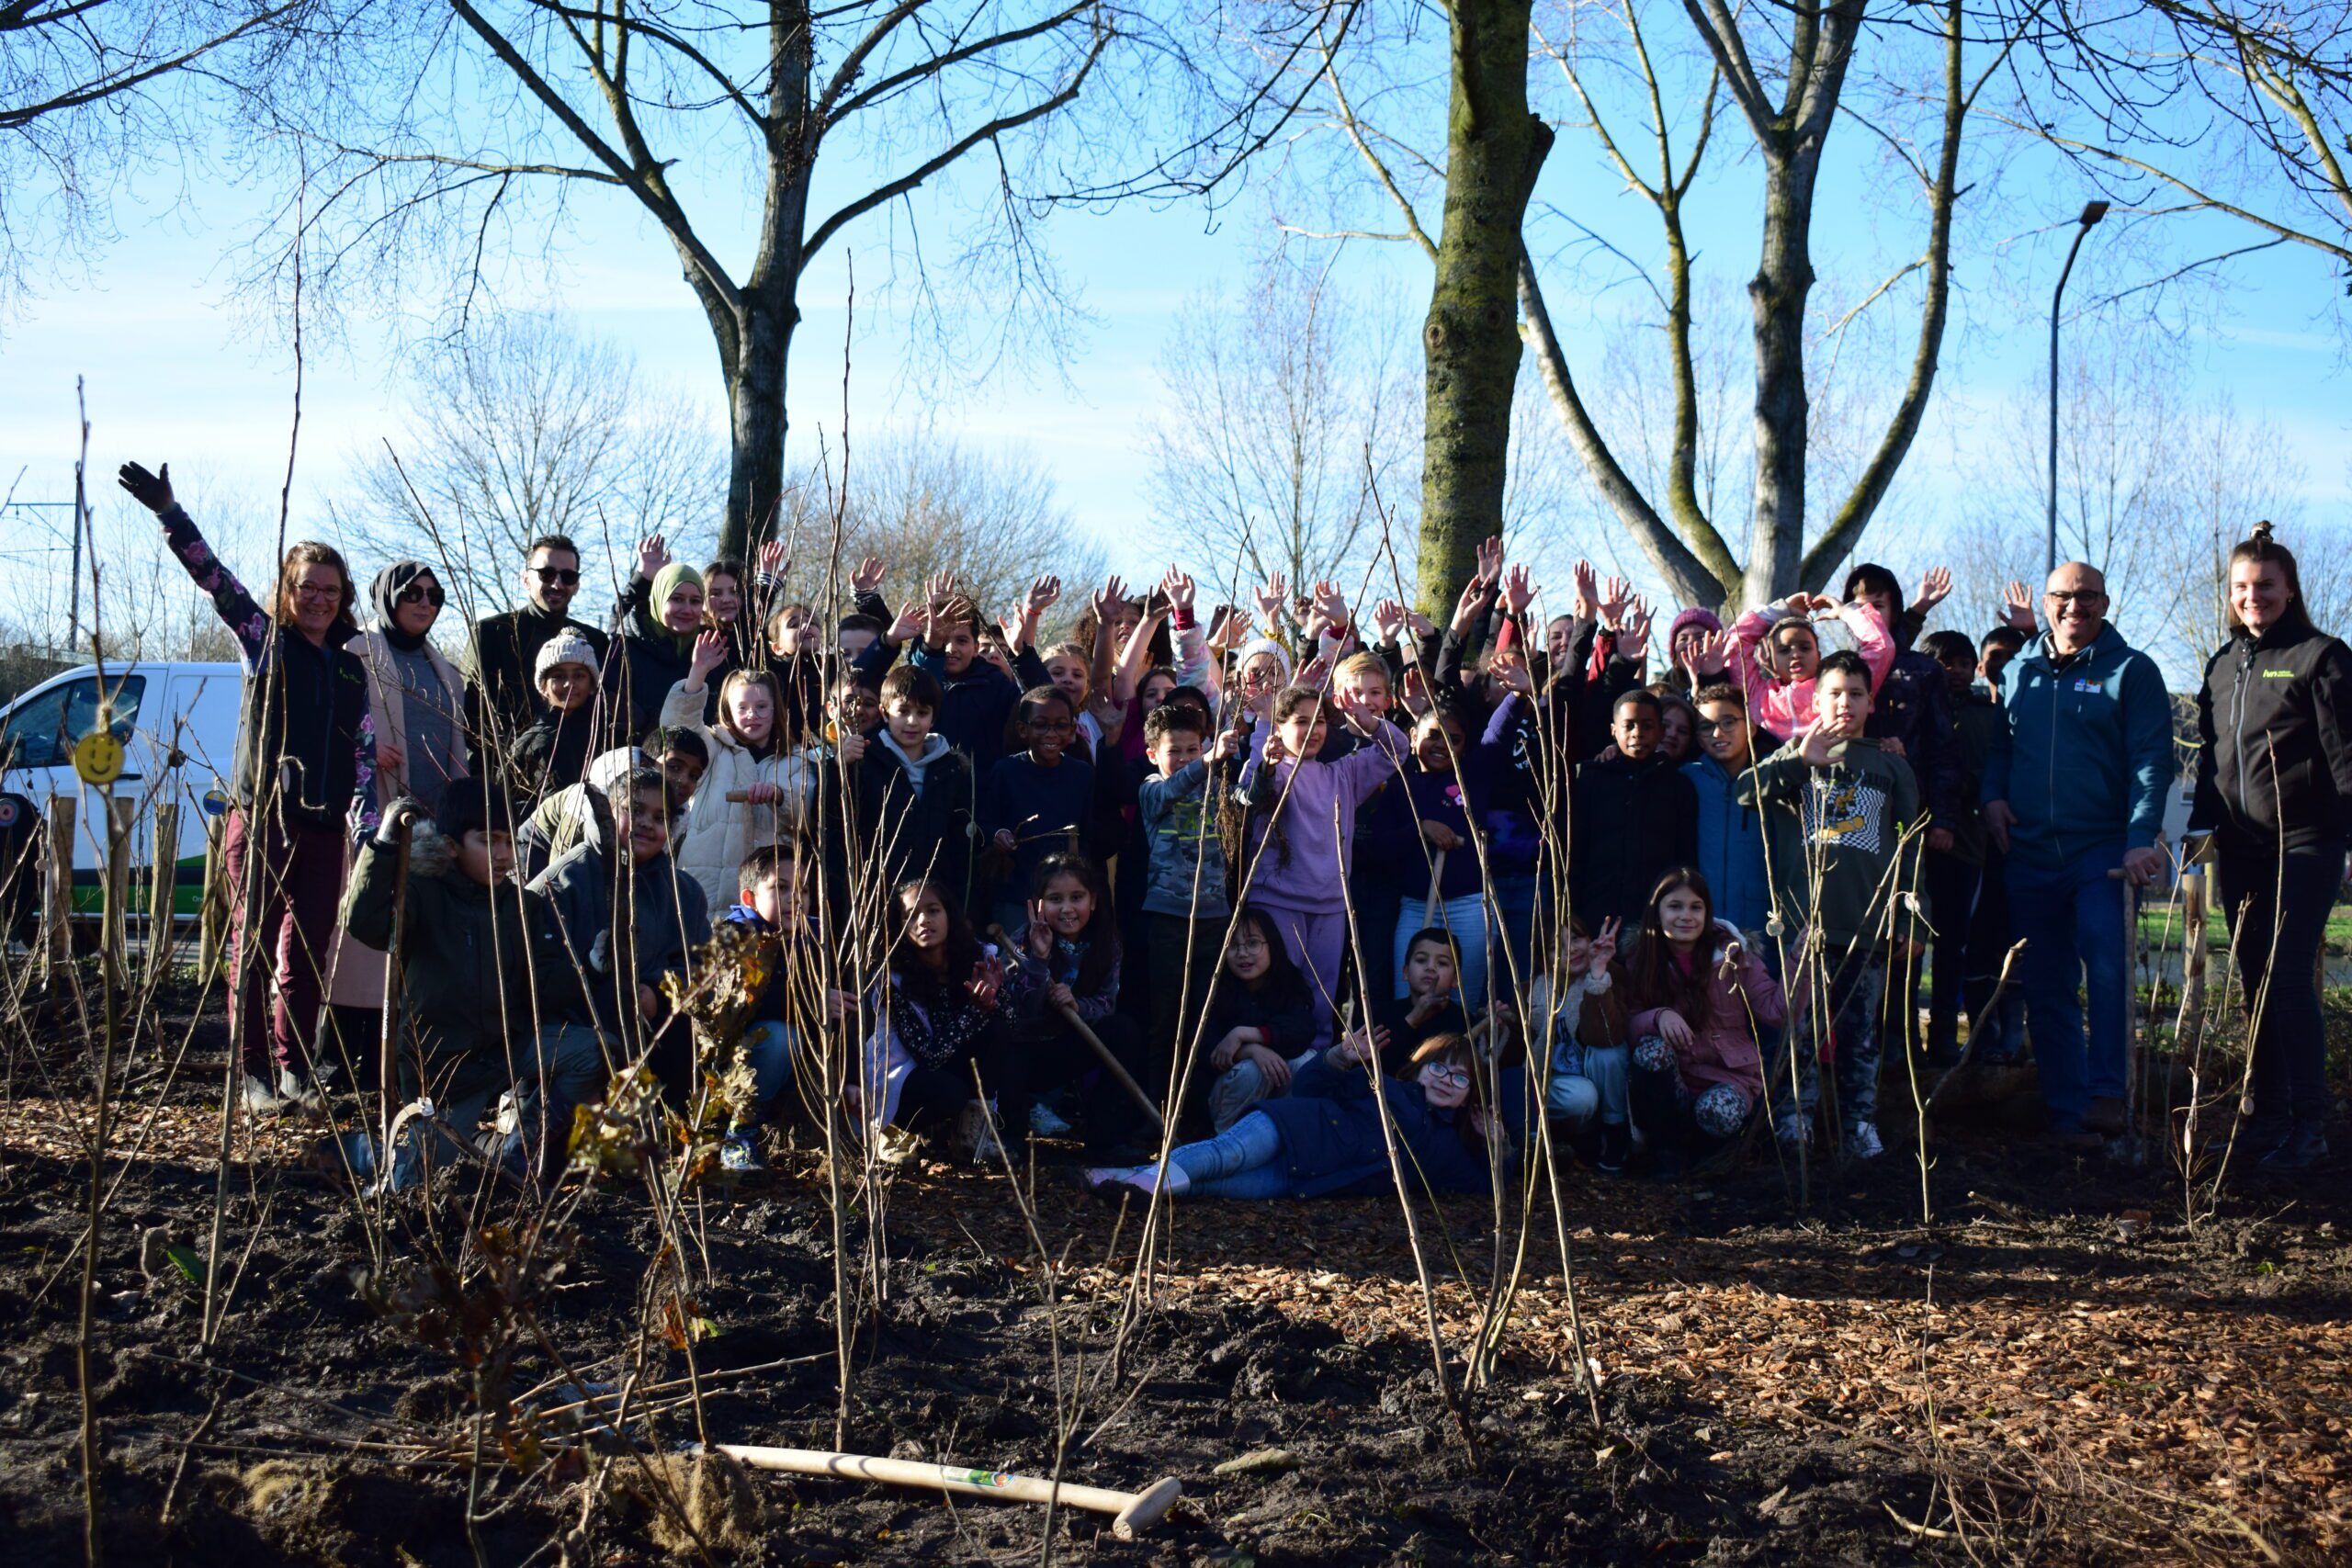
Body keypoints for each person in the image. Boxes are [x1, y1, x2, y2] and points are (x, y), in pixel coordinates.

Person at [119, 459, 375, 1113]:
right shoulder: (264, 641)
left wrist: (365, 822)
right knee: (253, 948)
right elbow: (215, 581)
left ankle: (296, 1071)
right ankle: (254, 1076)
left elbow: (365, 750)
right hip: (263, 815)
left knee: (309, 956)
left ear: (344, 597)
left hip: (322, 831)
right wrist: (171, 515)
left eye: (330, 589)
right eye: (306, 587)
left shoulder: (351, 670)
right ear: (286, 592)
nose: (319, 599)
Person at [1983, 562, 2174, 1148]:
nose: (2075, 606)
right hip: (2030, 853)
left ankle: (2108, 1094)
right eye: (2063, 596)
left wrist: (2141, 835)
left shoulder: (2132, 671)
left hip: (2103, 851)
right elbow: (1998, 747)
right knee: (2046, 982)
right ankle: (2068, 1115)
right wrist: (1992, 796)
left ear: (2106, 603)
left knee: (2107, 966)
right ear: (2045, 603)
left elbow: (2150, 761)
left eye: (2087, 597)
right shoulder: (2018, 671)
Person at [2188, 525, 2352, 1170]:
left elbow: (2346, 759)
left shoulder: (2320, 657)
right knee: (2256, 978)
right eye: (2241, 588)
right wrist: (2201, 827)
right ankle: (2267, 1115)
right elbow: (2212, 762)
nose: (2252, 597)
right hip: (2242, 846)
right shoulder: (2223, 664)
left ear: (2288, 589)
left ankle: (2310, 1125)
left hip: (2307, 840)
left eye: (2264, 586)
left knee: (2288, 976)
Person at [341, 778, 594, 1184]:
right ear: (451, 845)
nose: (503, 855)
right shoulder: (422, 894)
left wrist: (592, 965)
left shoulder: (522, 906)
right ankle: (362, 1151)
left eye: (510, 842)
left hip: (506, 1051)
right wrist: (384, 844)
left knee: (593, 1053)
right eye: (488, 840)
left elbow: (545, 982)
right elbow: (365, 924)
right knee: (414, 1181)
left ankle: (520, 1152)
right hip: (443, 1072)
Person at [1753, 651, 1923, 1160]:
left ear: (1871, 702)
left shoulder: (1891, 765)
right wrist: (1795, 760)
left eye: (1855, 693)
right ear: (1816, 699)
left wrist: (1913, 915)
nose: (1844, 703)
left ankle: (1859, 1126)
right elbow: (1745, 792)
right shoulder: (1795, 757)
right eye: (1834, 693)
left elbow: (1908, 841)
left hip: (1867, 929)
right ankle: (1795, 1120)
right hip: (1804, 930)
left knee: (1860, 1036)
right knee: (1798, 1031)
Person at [321, 560, 472, 1079]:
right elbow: (326, 724)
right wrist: (364, 747)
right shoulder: (353, 655)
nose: (425, 602)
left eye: (434, 595)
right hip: (372, 813)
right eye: (413, 593)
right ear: (388, 596)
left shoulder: (445, 670)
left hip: (432, 822)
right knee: (359, 940)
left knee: (409, 941)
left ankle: (392, 1060)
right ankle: (338, 1060)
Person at [1083, 1028, 1503, 1201]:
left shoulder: (1446, 1147)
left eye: (1461, 1079)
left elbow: (1483, 1187)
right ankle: (1134, 1182)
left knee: (1214, 1185)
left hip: (1306, 1178)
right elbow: (1310, 1086)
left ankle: (1122, 1181)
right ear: (1418, 1068)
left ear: (1470, 1099)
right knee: (1220, 1154)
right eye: (1439, 1067)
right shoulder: (1386, 1085)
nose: (1447, 1079)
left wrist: (1496, 1146)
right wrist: (1339, 1057)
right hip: (1291, 1128)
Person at [1234, 683, 1408, 1046]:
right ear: (1280, 728)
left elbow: (1398, 751)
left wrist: (1370, 722)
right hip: (1278, 903)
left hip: (1330, 906)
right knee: (1277, 992)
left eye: (1319, 721)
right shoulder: (1276, 772)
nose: (1313, 730)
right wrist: (1264, 739)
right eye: (1301, 721)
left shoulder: (1342, 774)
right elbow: (1252, 794)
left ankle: (1314, 1066)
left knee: (1322, 997)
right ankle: (1270, 1063)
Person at [528, 764, 713, 1084]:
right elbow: (536, 981)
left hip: (659, 1034)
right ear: (608, 812)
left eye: (659, 818)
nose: (646, 824)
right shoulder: (559, 883)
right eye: (634, 810)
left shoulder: (686, 893)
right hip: (580, 1036)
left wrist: (659, 993)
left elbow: (703, 969)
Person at [1623, 870, 1784, 1177]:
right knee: (1649, 1050)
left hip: (1727, 1078)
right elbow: (1626, 1025)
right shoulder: (1640, 958)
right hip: (1676, 1082)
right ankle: (1666, 1151)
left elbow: (1776, 1013)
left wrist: (1800, 963)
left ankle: (1707, 1157)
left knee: (1717, 1114)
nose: (1686, 916)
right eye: (1675, 906)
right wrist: (1658, 1015)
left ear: (1708, 913)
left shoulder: (1735, 957)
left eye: (1696, 907)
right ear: (1657, 913)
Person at [851, 877, 1012, 1162]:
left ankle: (971, 1136)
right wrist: (975, 1012)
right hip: (904, 1077)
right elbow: (929, 1054)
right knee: (948, 1092)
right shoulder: (893, 979)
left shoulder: (977, 958)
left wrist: (993, 997)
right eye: (911, 915)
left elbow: (1013, 1026)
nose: (924, 920)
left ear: (949, 914)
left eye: (933, 910)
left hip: (953, 1063)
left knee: (995, 1028)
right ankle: (893, 1131)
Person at [998, 853, 1151, 1151]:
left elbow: (1107, 1003)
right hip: (1025, 1053)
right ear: (1039, 904)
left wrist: (1079, 1005)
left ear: (1092, 901)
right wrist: (1039, 960)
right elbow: (1020, 1009)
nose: (1067, 909)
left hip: (1072, 1045)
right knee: (1005, 1046)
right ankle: (1012, 1141)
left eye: (1077, 897)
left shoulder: (1108, 944)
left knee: (1123, 1030)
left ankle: (1107, 1140)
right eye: (1056, 899)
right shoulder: (1022, 941)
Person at [1918, 630, 2018, 1066]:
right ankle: (1902, 1039)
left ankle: (1944, 1036)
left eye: (1963, 663)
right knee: (1908, 941)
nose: (1954, 671)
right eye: (1945, 663)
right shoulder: (1913, 708)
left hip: (1966, 845)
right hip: (1915, 841)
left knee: (1953, 943)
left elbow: (1986, 774)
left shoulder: (1987, 714)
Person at [662, 631, 813, 913]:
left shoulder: (795, 760)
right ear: (729, 711)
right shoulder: (712, 747)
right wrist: (698, 672)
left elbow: (807, 814)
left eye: (761, 707)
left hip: (769, 901)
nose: (752, 715)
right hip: (703, 892)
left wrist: (779, 797)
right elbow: (676, 730)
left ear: (775, 709)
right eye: (742, 707)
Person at [1136, 703, 1241, 1092]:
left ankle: (1195, 1109)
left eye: (1192, 750)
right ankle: (1157, 1112)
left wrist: (1263, 764)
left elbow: (1252, 798)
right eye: (1173, 751)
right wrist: (1208, 760)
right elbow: (1172, 789)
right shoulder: (1151, 788)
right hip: (1167, 917)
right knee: (1167, 1018)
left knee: (1203, 1016)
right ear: (1152, 755)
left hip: (1213, 916)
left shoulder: (1218, 785)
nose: (1183, 759)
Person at [836, 664, 979, 911]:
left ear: (933, 718)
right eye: (902, 711)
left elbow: (960, 846)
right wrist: (838, 768)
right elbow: (836, 822)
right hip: (876, 896)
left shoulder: (953, 769)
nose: (912, 721)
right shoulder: (863, 760)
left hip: (936, 895)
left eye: (922, 713)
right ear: (884, 713)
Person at [464, 534, 610, 747]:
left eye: (568, 576)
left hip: (580, 768)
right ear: (526, 579)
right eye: (546, 574)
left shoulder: (594, 641)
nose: (557, 584)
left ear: (576, 585)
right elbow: (471, 715)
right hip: (505, 771)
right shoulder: (491, 633)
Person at [1569, 690, 1698, 930]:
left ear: (1660, 731)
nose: (1637, 733)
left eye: (1647, 726)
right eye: (1629, 725)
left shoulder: (1679, 786)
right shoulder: (1589, 780)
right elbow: (1574, 852)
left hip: (1654, 917)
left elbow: (1685, 856)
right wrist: (1570, 911)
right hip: (1594, 913)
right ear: (1613, 730)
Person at [1194, 905, 1319, 1132]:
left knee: (1306, 1063)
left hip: (1276, 1090)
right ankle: (1226, 1144)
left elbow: (1303, 1029)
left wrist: (1247, 1034)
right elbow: (1207, 1051)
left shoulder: (1287, 981)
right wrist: (1251, 1051)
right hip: (1223, 1096)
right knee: (1251, 1071)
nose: (1242, 954)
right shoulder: (1213, 987)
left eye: (1252, 943)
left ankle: (1289, 1137)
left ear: (1272, 945)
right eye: (1233, 946)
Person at [981, 686, 1096, 933]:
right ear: (1023, 729)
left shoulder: (1082, 775)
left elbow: (1088, 834)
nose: (1051, 733)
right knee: (1017, 963)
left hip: (1066, 898)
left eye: (1060, 725)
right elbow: (985, 822)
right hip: (1017, 893)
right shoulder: (1006, 772)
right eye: (1041, 725)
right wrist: (998, 834)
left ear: (1072, 729)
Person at [1532, 917, 1631, 1168]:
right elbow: (1517, 1053)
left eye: (1576, 938)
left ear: (1590, 939)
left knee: (1611, 1054)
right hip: (1558, 1084)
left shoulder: (1612, 975)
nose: (1571, 950)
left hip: (1599, 1078)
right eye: (1557, 946)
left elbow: (1608, 1037)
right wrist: (1502, 1023)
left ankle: (1615, 1132)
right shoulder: (1533, 989)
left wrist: (1597, 973)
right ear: (1545, 957)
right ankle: (1573, 1138)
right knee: (1580, 1097)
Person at [1726, 592, 1894, 740]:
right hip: (1771, 773)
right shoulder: (1757, 694)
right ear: (1771, 660)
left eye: (1805, 648)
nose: (1795, 655)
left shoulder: (1838, 688)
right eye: (1784, 650)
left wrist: (1846, 612)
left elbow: (1881, 648)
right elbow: (1733, 649)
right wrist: (1778, 610)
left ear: (1819, 655)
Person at [1683, 684, 1771, 943]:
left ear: (1752, 727)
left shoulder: (1772, 779)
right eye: (1707, 726)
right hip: (1700, 926)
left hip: (1761, 924)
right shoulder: (1688, 779)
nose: (1718, 733)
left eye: (1729, 722)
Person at [605, 536, 706, 746]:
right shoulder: (627, 648)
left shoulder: (709, 650)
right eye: (676, 599)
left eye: (695, 601)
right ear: (658, 600)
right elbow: (614, 708)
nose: (687, 609)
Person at [505, 631, 605, 803]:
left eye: (579, 676)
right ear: (543, 687)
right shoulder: (534, 740)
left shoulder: (607, 734)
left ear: (592, 685)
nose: (569, 684)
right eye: (559, 676)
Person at [1374, 927, 1470, 1077]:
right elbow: (1377, 1068)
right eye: (1421, 960)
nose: (1430, 967)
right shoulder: (1382, 1015)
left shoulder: (1465, 1023)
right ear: (1405, 972)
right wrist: (1412, 1020)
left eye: (1442, 963)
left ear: (1456, 979)